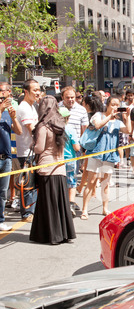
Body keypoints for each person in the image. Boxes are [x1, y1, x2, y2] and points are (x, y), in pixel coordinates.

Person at [29, 96, 76, 245]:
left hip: (46, 168)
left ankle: (50, 235)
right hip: (60, 168)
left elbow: (39, 148)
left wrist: (32, 145)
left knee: (47, 204)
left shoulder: (43, 126)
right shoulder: (61, 124)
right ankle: (64, 234)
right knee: (61, 204)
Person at [81, 95, 131, 219]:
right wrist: (110, 116)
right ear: (107, 105)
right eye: (112, 104)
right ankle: (84, 210)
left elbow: (128, 130)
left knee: (106, 183)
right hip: (96, 153)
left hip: (109, 155)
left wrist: (128, 116)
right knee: (91, 182)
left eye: (117, 105)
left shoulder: (118, 122)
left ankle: (105, 208)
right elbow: (98, 125)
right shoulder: (98, 115)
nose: (115, 107)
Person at [15, 79, 41, 222]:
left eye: (39, 89)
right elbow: (32, 130)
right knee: (28, 184)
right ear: (26, 92)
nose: (38, 93)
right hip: (26, 152)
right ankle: (27, 213)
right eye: (35, 90)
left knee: (33, 183)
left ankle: (32, 210)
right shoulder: (24, 107)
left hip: (33, 151)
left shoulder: (32, 106)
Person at [0, 95, 22, 231]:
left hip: (6, 157)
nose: (3, 100)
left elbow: (19, 131)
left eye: (4, 97)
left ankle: (1, 220)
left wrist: (13, 117)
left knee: (3, 192)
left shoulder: (7, 115)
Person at [76, 93, 104, 197]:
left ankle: (84, 188)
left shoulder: (90, 116)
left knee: (88, 169)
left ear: (87, 105)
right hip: (96, 145)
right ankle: (91, 190)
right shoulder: (100, 114)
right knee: (91, 169)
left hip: (89, 145)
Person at [61, 107, 81, 218]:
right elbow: (76, 147)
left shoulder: (54, 129)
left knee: (61, 183)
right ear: (68, 117)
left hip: (58, 161)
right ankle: (70, 205)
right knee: (72, 183)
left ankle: (61, 205)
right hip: (70, 160)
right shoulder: (70, 129)